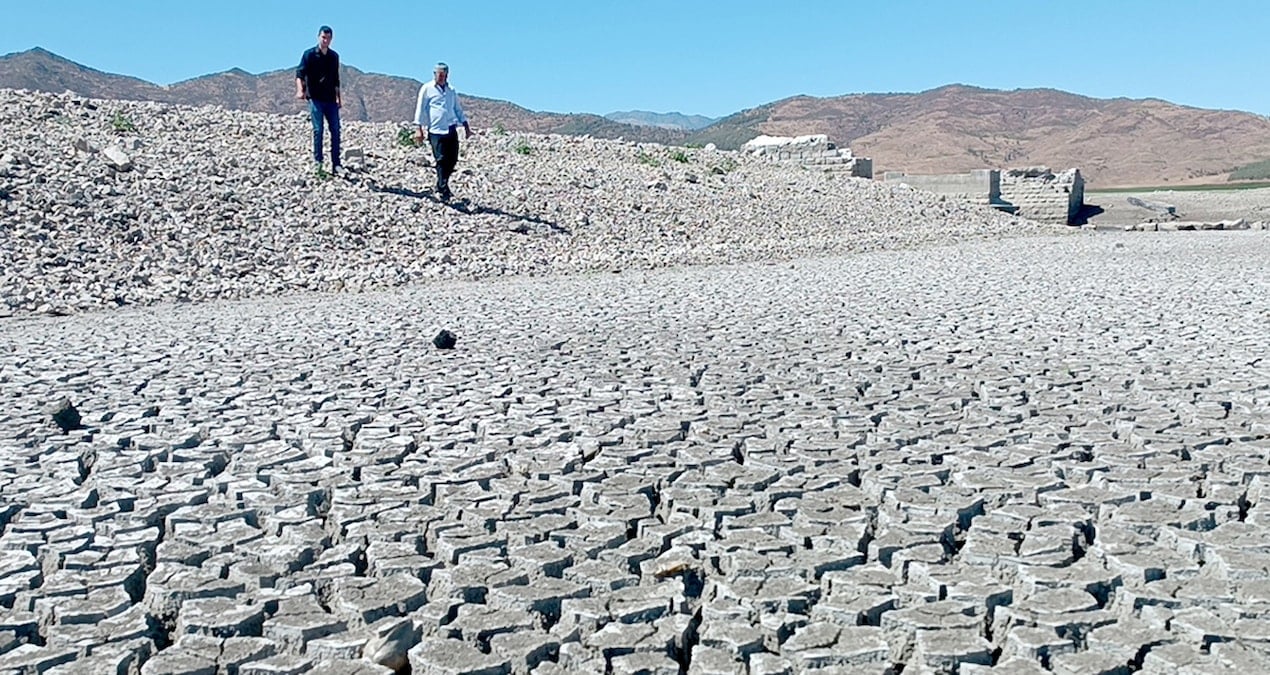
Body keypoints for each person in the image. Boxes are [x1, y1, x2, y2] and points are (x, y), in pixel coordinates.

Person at [413, 63, 472, 200]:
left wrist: (466, 126)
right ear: (434, 74)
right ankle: (442, 187)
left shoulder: (451, 90)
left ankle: (442, 184)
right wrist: (418, 128)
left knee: (452, 159)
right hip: (436, 130)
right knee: (441, 159)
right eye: (438, 74)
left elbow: (457, 109)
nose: (440, 77)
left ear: (447, 75)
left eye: (443, 75)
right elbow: (420, 109)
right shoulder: (427, 89)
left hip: (451, 128)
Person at [295, 25, 342, 173]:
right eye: (323, 37)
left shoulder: (334, 57)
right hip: (315, 98)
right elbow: (299, 74)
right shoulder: (309, 55)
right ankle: (318, 162)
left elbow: (336, 79)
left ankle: (336, 164)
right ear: (318, 37)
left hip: (330, 99)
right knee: (318, 129)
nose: (326, 40)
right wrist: (300, 90)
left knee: (335, 130)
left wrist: (339, 98)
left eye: (328, 38)